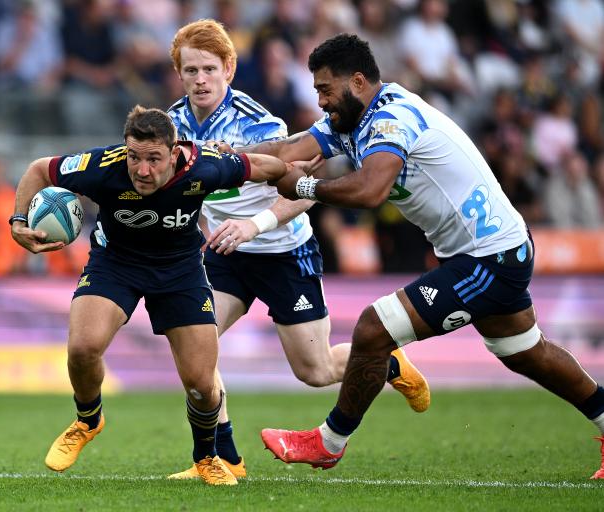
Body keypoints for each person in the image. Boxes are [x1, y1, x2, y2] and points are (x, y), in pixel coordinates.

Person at [222, 33, 604, 479]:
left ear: (358, 82)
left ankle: (328, 443)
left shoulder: (391, 118)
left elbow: (370, 190)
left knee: (372, 328)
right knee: (526, 353)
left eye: (326, 89)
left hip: (488, 257)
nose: (321, 100)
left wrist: (303, 187)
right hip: (487, 251)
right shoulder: (350, 121)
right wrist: (226, 161)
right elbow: (288, 150)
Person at [165, 20, 430, 480]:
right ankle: (222, 457)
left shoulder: (260, 123)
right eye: (191, 70)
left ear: (229, 68)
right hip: (225, 255)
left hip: (284, 253)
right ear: (179, 73)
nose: (200, 79)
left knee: (315, 369)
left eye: (209, 68)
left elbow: (307, 191)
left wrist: (255, 224)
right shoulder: (171, 126)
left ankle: (388, 362)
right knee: (194, 349)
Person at [9, 105, 292, 486]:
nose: (142, 170)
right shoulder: (100, 165)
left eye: (154, 159)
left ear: (174, 154)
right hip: (115, 265)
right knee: (82, 348)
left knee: (202, 384)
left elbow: (273, 169)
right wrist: (18, 222)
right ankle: (88, 419)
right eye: (135, 157)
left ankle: (206, 456)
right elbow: (38, 170)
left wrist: (278, 198)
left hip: (181, 272)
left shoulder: (207, 166)